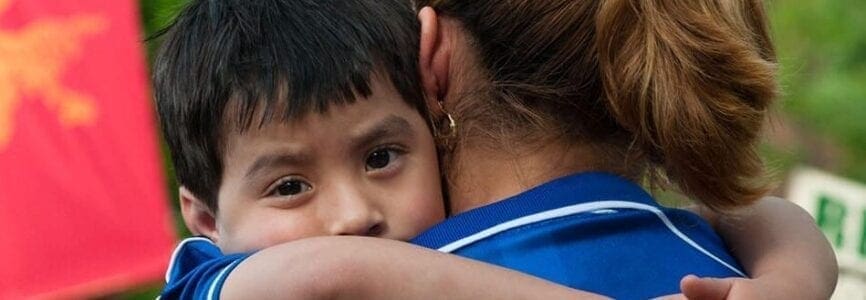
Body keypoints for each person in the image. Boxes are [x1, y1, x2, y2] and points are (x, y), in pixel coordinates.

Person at [152, 0, 837, 299]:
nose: (353, 216)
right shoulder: (717, 265)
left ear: (433, 60)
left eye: (381, 157)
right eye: (288, 186)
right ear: (202, 218)